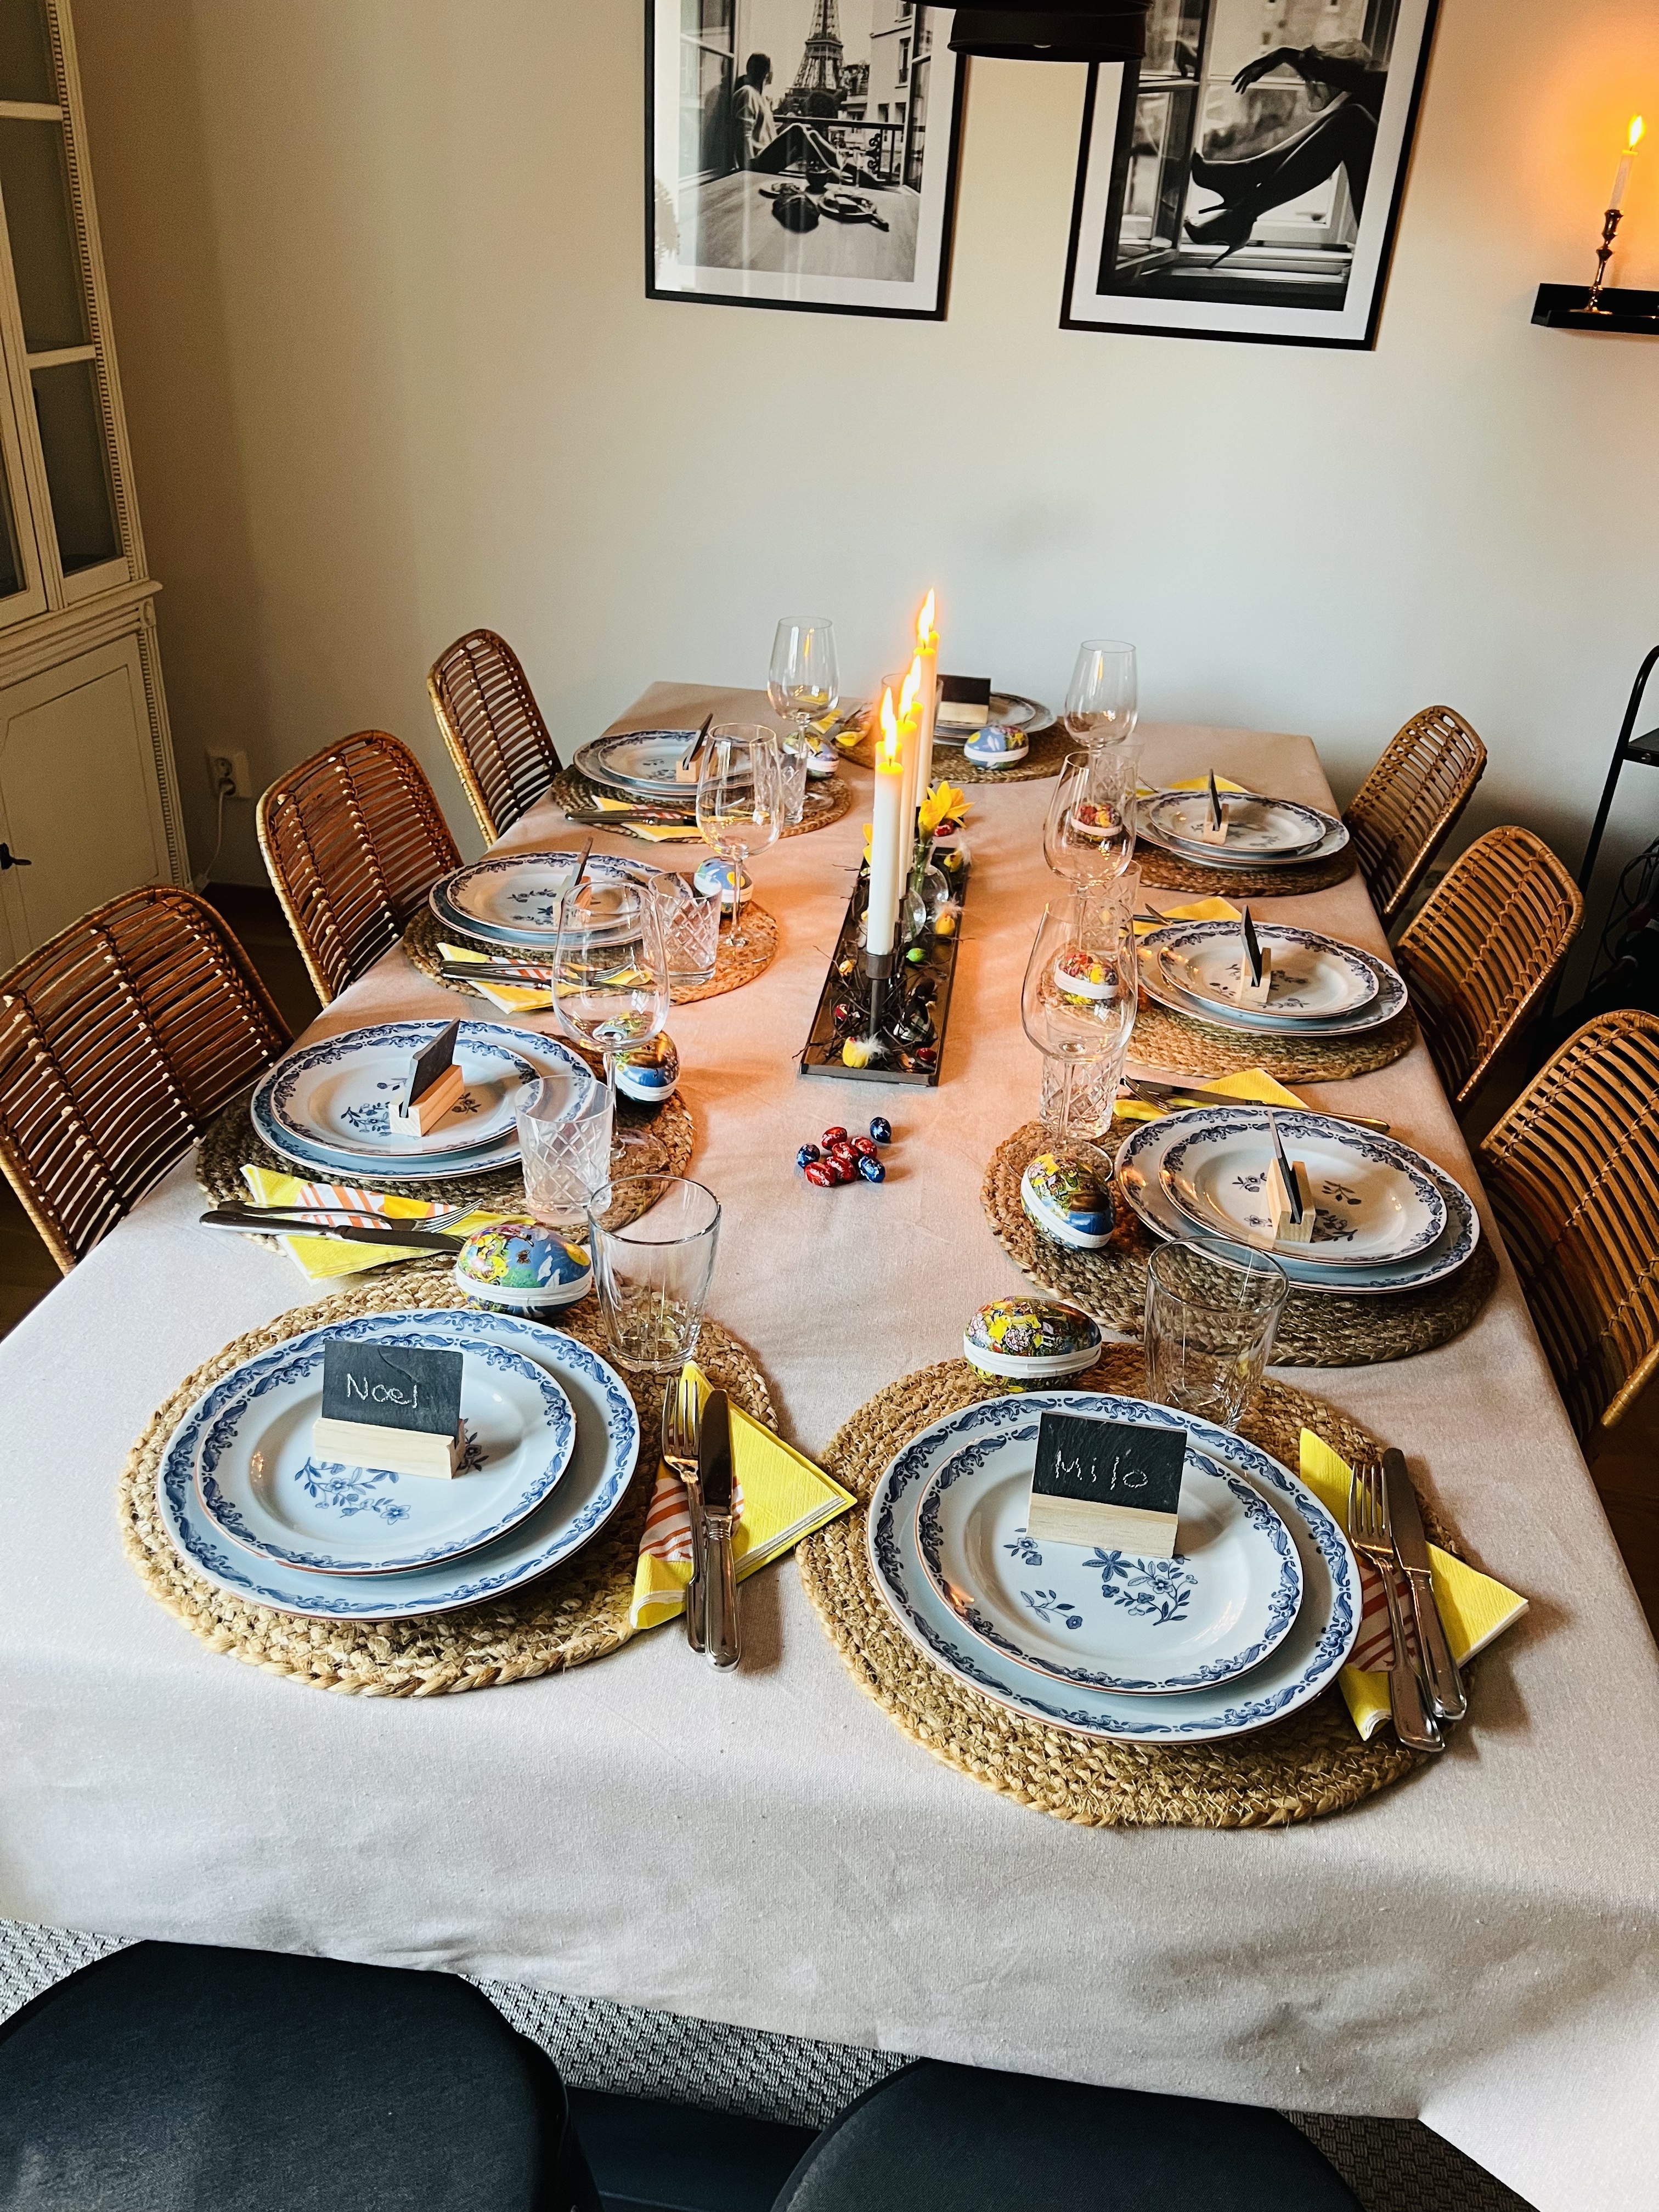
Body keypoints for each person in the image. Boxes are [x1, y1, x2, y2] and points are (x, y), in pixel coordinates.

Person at [1183, 41, 1385, 256]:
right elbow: (1366, 83)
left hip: (1398, 211)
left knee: (1354, 120)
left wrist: (1286, 55)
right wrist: (1287, 56)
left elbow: (1363, 81)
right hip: (1392, 199)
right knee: (1354, 116)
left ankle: (1242, 194)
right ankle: (1243, 189)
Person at [730, 53, 877, 186]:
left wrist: (783, 127)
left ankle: (854, 171)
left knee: (811, 133)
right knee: (798, 130)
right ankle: (836, 175)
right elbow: (743, 135)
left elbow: (762, 134)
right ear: (767, 74)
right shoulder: (747, 93)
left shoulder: (761, 97)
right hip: (754, 165)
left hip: (764, 158)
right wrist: (748, 170)